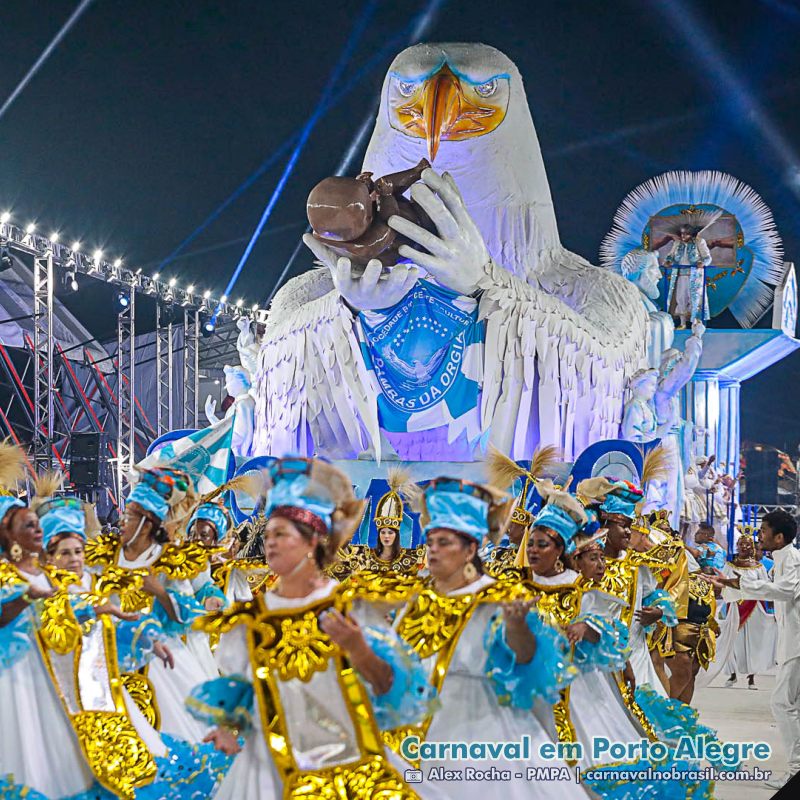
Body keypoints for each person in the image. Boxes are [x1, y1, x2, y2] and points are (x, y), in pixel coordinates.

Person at [188, 457, 435, 799]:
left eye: (281, 534)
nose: (270, 542)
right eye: (269, 533)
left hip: (345, 769)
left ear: (311, 542)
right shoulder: (251, 618)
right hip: (266, 772)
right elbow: (247, 689)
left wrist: (359, 649)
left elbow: (392, 687)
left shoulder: (350, 607)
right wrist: (228, 728)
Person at [384, 476, 591, 800]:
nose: (434, 551)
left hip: (481, 731)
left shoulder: (498, 596)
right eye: (431, 541)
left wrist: (517, 626)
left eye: (445, 543)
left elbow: (528, 665)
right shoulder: (417, 598)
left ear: (470, 549)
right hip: (414, 730)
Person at [85, 467, 216, 744]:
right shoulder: (104, 553)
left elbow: (187, 618)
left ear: (147, 523)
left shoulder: (167, 561)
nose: (122, 521)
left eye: (129, 516)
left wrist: (159, 591)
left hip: (159, 659)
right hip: (107, 653)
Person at [705, 510, 800, 790]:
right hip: (791, 641)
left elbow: (781, 591)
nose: (759, 536)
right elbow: (769, 588)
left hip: (796, 643)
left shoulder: (792, 560)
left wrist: (736, 583)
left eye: (763, 531)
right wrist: (728, 584)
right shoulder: (782, 560)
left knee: (782, 703)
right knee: (788, 704)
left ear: (779, 537)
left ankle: (795, 769)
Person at [722, 533, 777, 690]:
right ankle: (732, 675)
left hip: (753, 609)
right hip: (734, 607)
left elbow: (765, 586)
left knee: (753, 642)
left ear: (752, 548)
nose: (744, 547)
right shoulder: (729, 565)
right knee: (732, 642)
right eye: (741, 544)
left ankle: (751, 678)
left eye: (747, 545)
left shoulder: (758, 567)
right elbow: (723, 583)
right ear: (737, 546)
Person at [664, 224, 712, 328]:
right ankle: (682, 323)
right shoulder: (677, 243)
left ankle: (695, 323)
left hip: (695, 276)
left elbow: (707, 258)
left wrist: (702, 263)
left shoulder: (699, 242)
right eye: (682, 234)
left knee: (695, 298)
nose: (683, 236)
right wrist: (668, 261)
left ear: (691, 234)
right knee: (681, 297)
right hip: (681, 274)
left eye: (686, 234)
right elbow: (670, 256)